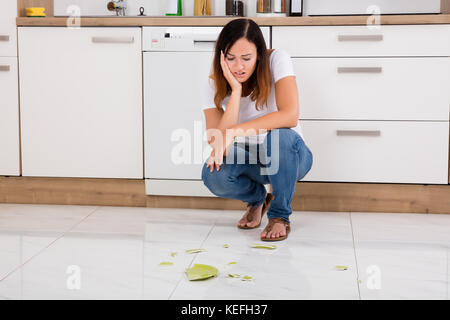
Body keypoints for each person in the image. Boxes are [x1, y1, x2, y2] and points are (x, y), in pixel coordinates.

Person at [201, 18, 313, 241]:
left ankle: (279, 216)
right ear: (221, 57)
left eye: (246, 58)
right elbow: (217, 143)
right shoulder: (213, 82)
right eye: (231, 58)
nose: (239, 66)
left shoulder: (277, 60)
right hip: (252, 160)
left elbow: (290, 115)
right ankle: (257, 199)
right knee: (213, 174)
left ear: (259, 54)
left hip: (289, 157)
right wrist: (234, 90)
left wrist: (234, 132)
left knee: (278, 136)